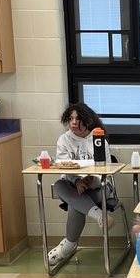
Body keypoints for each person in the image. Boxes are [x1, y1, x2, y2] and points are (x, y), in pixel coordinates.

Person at [49, 103, 116, 267]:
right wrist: (77, 181)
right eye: (70, 118)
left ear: (88, 120)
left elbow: (107, 170)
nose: (73, 122)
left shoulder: (98, 139)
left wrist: (92, 181)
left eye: (78, 119)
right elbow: (63, 168)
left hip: (99, 188)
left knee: (75, 204)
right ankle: (100, 216)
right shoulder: (64, 140)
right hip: (74, 188)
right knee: (59, 185)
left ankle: (68, 246)